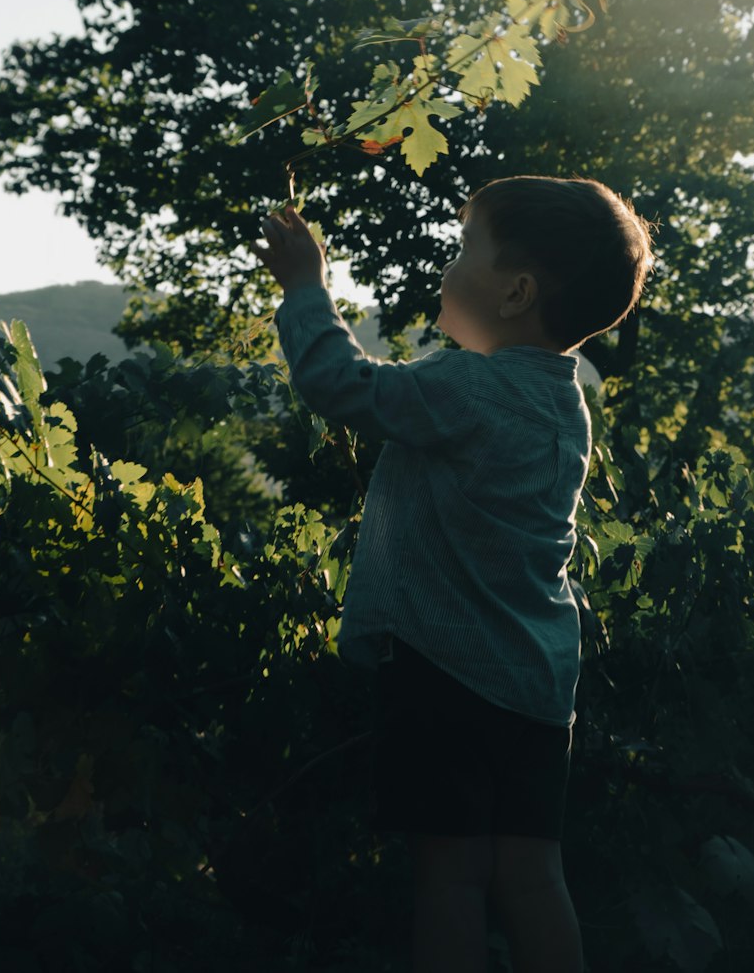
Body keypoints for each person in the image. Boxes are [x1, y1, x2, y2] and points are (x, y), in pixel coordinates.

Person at [254, 175, 653, 973]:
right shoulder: (563, 401)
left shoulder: (467, 388)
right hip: (539, 685)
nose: (447, 269)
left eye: (466, 250)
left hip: (444, 673)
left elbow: (342, 385)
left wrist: (306, 290)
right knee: (532, 879)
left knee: (451, 876)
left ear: (516, 292)